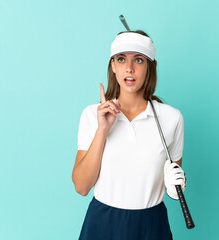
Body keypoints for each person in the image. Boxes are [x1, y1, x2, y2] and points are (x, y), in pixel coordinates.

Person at [72, 30, 187, 240]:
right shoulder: (91, 115)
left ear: (151, 67)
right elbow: (81, 186)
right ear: (113, 65)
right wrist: (102, 130)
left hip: (152, 225)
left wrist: (174, 187)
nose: (130, 68)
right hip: (103, 223)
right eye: (122, 58)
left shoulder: (171, 119)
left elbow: (174, 176)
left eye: (139, 60)